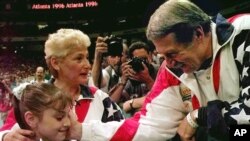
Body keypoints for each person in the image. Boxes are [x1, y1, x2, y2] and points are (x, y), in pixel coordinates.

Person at [63, 0, 250, 141]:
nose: (167, 63)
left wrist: (198, 117)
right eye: (162, 56)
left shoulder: (245, 32)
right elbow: (144, 128)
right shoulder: (171, 71)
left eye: (172, 53)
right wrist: (80, 130)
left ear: (198, 34)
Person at [0, 28, 124, 141]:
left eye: (87, 57)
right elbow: (5, 131)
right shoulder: (34, 97)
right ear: (55, 63)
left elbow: (125, 131)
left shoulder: (100, 98)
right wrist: (6, 137)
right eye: (79, 58)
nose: (87, 65)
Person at [109, 41, 157, 116]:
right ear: (130, 60)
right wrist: (123, 81)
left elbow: (163, 98)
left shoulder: (158, 71)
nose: (142, 63)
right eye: (138, 60)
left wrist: (148, 80)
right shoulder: (129, 74)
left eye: (144, 59)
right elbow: (111, 104)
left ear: (150, 56)